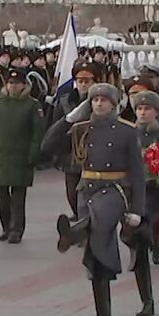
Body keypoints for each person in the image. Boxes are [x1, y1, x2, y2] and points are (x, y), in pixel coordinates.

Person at [45, 83, 146, 316]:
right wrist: (67, 120)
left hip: (115, 190)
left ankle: (74, 232)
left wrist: (137, 209)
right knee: (95, 256)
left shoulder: (126, 131)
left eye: (104, 100)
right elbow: (46, 148)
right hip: (87, 189)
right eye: (94, 100)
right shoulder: (81, 129)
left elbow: (137, 172)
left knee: (99, 223)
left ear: (114, 104)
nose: (99, 104)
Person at [0, 68, 45, 244]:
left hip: (21, 158)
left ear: (24, 85)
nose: (12, 86)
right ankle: (6, 226)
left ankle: (16, 229)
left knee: (18, 199)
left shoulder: (32, 105)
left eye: (16, 84)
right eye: (10, 83)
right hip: (1, 157)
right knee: (1, 197)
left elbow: (37, 133)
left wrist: (34, 154)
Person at [128, 91, 159, 316]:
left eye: (147, 108)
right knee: (135, 236)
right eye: (139, 108)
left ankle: (147, 300)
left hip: (154, 196)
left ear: (156, 111)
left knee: (140, 233)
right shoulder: (127, 134)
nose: (143, 112)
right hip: (129, 195)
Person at [48, 61, 97, 212]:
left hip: (94, 153)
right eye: (80, 81)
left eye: (87, 81)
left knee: (92, 194)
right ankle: (78, 218)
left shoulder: (100, 100)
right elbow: (55, 127)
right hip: (71, 154)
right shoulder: (65, 100)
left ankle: (88, 222)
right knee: (72, 194)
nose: (83, 85)